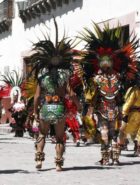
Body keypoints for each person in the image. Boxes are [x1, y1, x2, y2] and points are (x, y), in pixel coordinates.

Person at [80, 23, 140, 165]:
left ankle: (105, 158)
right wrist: (120, 110)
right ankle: (115, 157)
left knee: (104, 130)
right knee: (114, 132)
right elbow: (120, 96)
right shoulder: (117, 79)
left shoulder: (97, 79)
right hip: (114, 109)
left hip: (103, 108)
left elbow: (91, 97)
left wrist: (90, 112)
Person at [31, 20, 80, 171]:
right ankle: (58, 164)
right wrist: (78, 105)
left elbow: (37, 96)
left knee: (42, 134)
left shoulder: (42, 76)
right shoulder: (64, 76)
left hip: (45, 108)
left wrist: (34, 111)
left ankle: (39, 161)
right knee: (59, 137)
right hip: (59, 109)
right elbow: (71, 95)